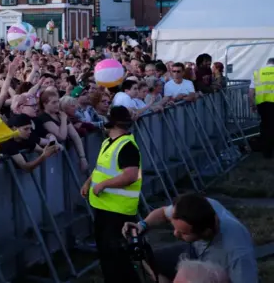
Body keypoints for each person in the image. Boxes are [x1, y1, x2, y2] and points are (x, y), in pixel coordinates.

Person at [123, 193, 257, 283]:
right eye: (175, 228)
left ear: (206, 232)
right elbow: (163, 213)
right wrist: (142, 225)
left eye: (183, 233)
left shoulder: (237, 254)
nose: (175, 234)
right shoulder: (197, 207)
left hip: (219, 274)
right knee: (151, 259)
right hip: (197, 252)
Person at [80, 106, 142, 283]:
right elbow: (101, 168)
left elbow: (130, 175)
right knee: (107, 255)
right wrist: (89, 182)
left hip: (118, 211)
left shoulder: (127, 146)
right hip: (104, 207)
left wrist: (103, 185)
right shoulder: (108, 142)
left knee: (117, 257)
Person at [249, 57, 274, 158]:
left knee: (265, 126)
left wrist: (252, 104)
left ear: (267, 63)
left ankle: (266, 152)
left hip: (262, 105)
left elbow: (250, 92)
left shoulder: (257, 73)